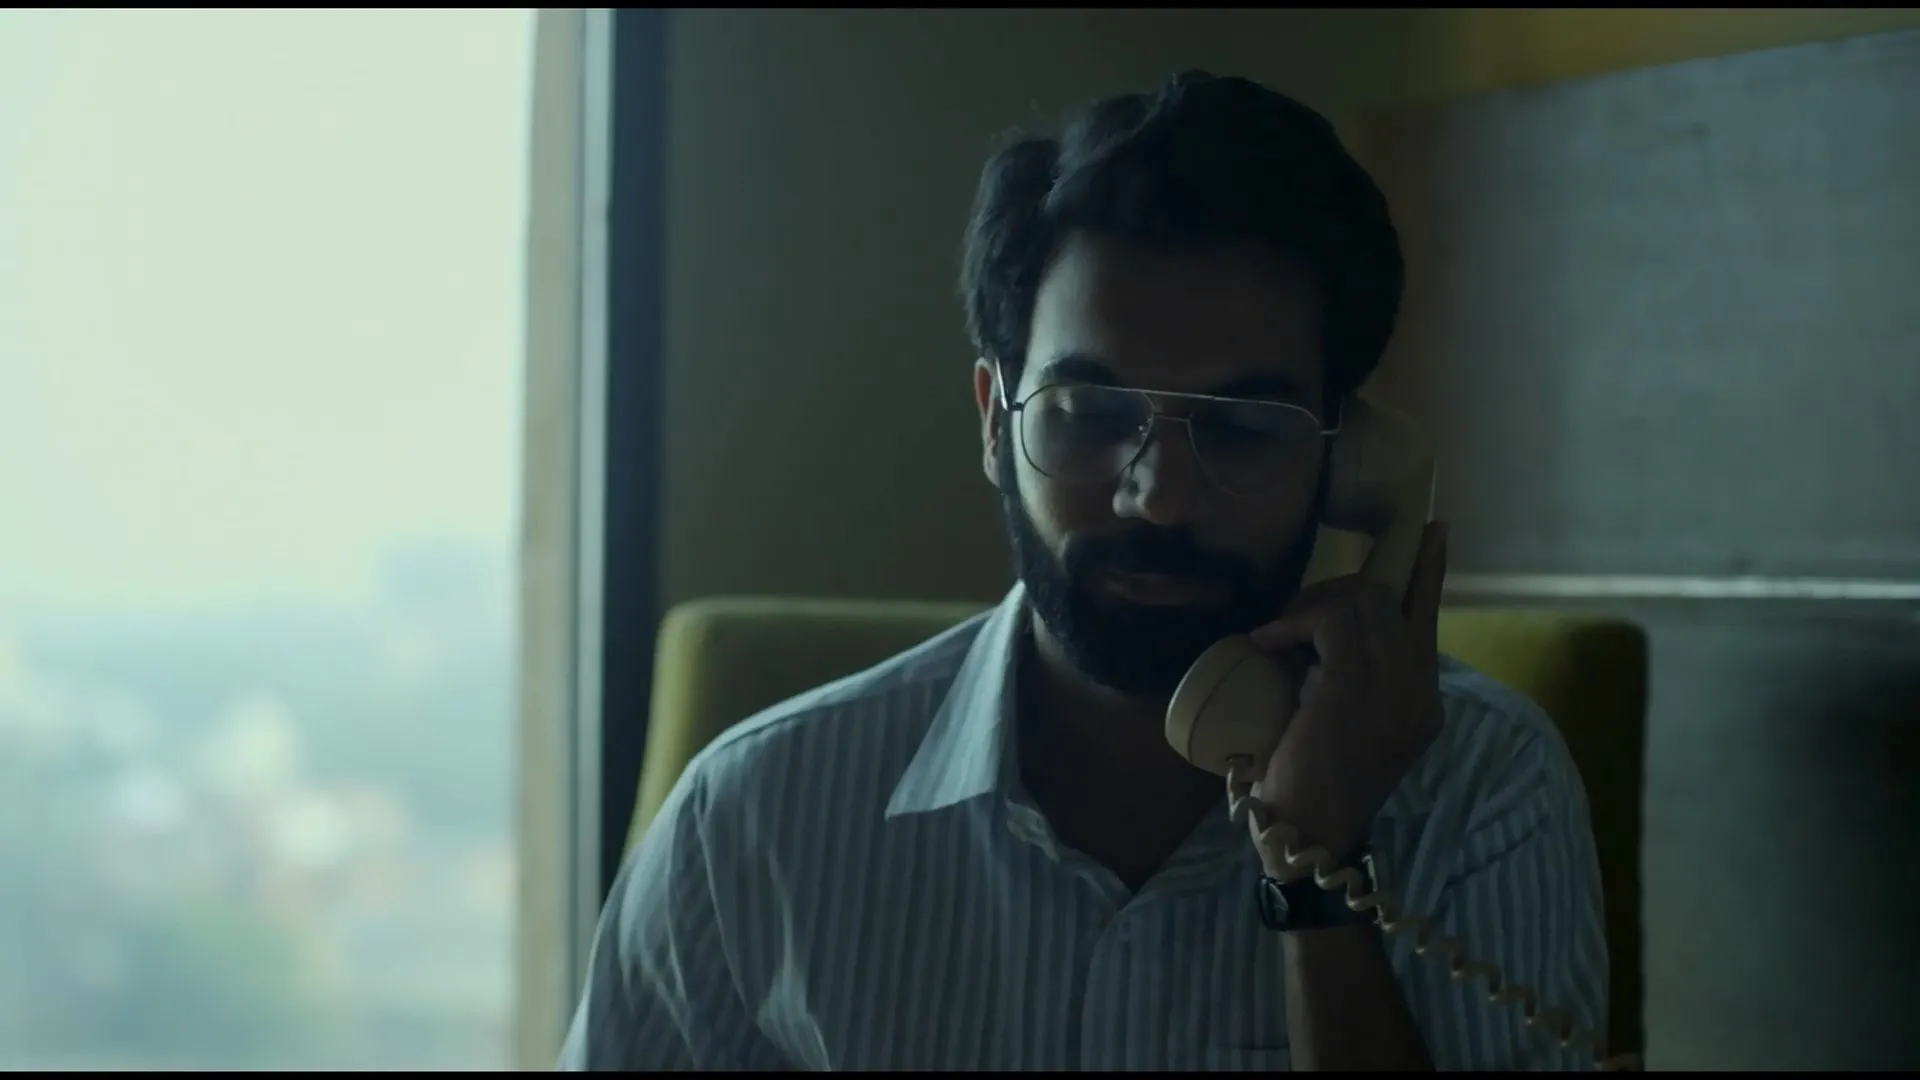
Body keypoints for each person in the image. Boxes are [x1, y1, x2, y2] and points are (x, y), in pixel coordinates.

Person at [560, 70, 1609, 1071]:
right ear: (995, 423)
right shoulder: (750, 819)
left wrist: (1319, 870)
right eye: (1090, 414)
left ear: (1348, 461)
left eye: (1245, 428)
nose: (1159, 496)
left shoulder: (1484, 790)